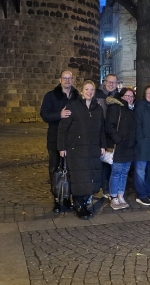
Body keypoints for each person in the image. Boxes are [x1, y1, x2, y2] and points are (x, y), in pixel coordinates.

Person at [58, 80, 106, 220]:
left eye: (92, 89)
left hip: (92, 149)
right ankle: (79, 205)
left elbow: (101, 129)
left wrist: (102, 145)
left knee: (90, 177)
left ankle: (85, 202)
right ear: (81, 91)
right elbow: (63, 129)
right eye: (87, 89)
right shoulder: (72, 106)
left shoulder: (98, 109)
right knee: (79, 178)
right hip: (76, 149)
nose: (89, 92)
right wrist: (62, 147)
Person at [40, 70, 75, 212]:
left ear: (72, 80)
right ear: (60, 80)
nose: (67, 80)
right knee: (55, 170)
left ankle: (67, 197)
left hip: (71, 140)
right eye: (64, 78)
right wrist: (59, 115)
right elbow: (44, 115)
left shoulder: (76, 96)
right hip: (55, 139)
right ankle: (56, 198)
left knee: (70, 170)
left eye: (69, 78)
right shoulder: (51, 96)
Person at [105, 88, 136, 210]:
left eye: (131, 96)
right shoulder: (115, 107)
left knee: (124, 173)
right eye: (127, 96)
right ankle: (113, 197)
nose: (129, 98)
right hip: (118, 146)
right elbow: (109, 126)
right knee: (116, 172)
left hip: (129, 147)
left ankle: (120, 194)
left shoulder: (131, 110)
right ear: (121, 96)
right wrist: (118, 139)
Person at [95, 74, 120, 200]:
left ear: (117, 84)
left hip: (113, 134)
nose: (111, 84)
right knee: (102, 163)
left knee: (112, 162)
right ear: (104, 82)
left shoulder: (119, 96)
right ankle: (104, 189)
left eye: (114, 82)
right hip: (100, 133)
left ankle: (112, 188)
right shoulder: (97, 94)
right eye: (109, 82)